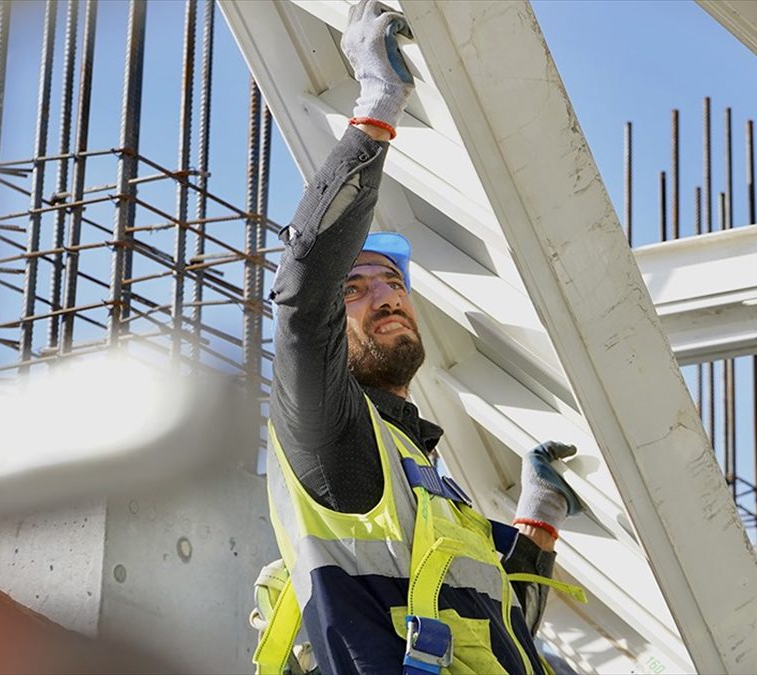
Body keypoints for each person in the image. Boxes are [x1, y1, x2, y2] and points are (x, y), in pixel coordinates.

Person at [252, 2, 583, 673]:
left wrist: (538, 514)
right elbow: (301, 291)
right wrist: (378, 103)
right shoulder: (333, 444)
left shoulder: (425, 483)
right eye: (357, 287)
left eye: (394, 283)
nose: (387, 293)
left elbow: (499, 626)